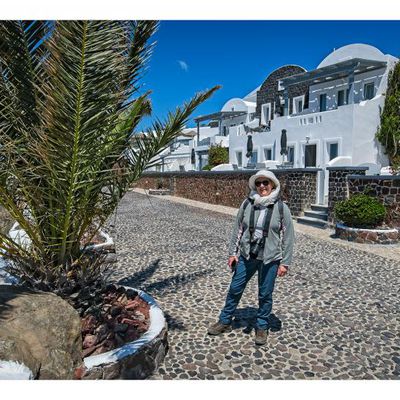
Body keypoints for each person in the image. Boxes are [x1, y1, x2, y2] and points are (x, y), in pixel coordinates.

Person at [207, 170, 295, 345]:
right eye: (259, 183)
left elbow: (288, 235)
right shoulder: (247, 204)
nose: (262, 186)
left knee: (265, 294)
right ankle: (225, 320)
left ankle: (262, 326)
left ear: (273, 185)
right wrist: (233, 253)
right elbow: (238, 229)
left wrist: (285, 262)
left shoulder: (281, 208)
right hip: (248, 255)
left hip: (270, 258)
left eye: (265, 183)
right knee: (235, 288)